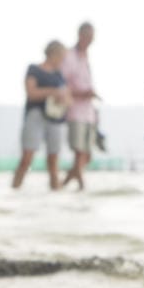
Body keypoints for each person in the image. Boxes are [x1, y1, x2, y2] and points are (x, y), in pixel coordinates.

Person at [12, 41, 69, 191]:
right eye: (62, 57)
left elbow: (68, 99)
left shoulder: (59, 75)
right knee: (27, 158)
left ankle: (55, 194)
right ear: (53, 54)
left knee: (54, 161)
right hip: (35, 115)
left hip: (56, 120)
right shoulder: (34, 69)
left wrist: (63, 99)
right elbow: (31, 93)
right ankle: (15, 191)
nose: (63, 61)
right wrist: (52, 92)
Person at [61, 23, 101, 190]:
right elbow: (62, 85)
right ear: (80, 35)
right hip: (75, 111)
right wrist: (82, 94)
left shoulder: (86, 57)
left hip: (89, 113)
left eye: (92, 38)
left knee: (87, 155)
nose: (89, 41)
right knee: (79, 153)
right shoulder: (69, 56)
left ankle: (62, 185)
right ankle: (81, 188)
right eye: (87, 37)